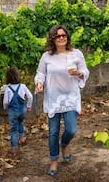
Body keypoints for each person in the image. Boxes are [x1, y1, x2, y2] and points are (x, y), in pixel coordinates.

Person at [34, 24, 90, 176]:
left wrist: (78, 72)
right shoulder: (47, 56)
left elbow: (85, 71)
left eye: (63, 35)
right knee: (53, 131)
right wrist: (39, 83)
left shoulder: (76, 53)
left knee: (71, 129)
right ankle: (54, 160)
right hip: (53, 98)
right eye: (58, 36)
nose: (61, 38)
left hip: (70, 97)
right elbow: (41, 73)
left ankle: (64, 145)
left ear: (67, 37)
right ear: (53, 38)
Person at [3, 66, 33, 152]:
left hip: (13, 111)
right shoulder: (22, 86)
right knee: (21, 122)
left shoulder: (8, 89)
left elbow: (5, 102)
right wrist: (29, 106)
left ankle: (13, 147)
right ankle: (22, 137)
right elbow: (30, 96)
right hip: (22, 110)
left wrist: (5, 108)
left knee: (13, 129)